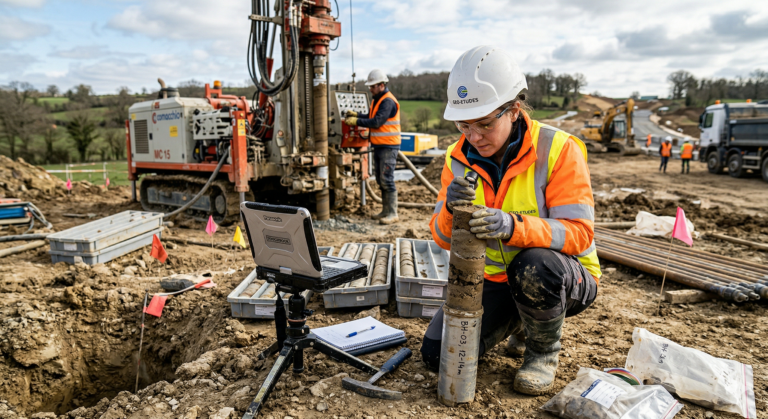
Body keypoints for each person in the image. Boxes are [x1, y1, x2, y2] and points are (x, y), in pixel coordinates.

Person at [421, 46, 601, 396]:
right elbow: (443, 239)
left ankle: (541, 352)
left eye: (484, 124)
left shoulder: (559, 149)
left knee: (534, 266)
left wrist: (512, 226)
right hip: (498, 281)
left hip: (564, 277)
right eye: (463, 125)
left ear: (514, 110)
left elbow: (579, 234)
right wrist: (449, 209)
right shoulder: (457, 158)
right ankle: (520, 318)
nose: (473, 136)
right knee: (436, 353)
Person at [345, 69, 401, 224]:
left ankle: (393, 213)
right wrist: (357, 115)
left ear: (382, 85)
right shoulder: (378, 100)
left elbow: (377, 122)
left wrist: (356, 122)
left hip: (388, 146)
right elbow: (371, 117)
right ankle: (386, 211)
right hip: (380, 146)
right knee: (381, 179)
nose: (370, 89)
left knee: (387, 179)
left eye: (373, 86)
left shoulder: (387, 101)